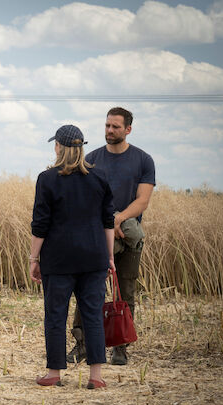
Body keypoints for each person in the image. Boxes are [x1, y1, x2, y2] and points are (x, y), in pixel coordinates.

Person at [67, 107, 156, 366]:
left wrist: (117, 219)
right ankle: (82, 344)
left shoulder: (143, 160)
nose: (109, 130)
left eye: (115, 127)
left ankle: (120, 347)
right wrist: (106, 224)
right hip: (97, 234)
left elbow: (142, 201)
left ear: (128, 129)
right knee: (88, 287)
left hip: (128, 235)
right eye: (107, 125)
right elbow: (85, 199)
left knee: (125, 289)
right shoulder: (92, 159)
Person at [30, 124, 115, 388]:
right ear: (81, 148)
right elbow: (108, 221)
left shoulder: (48, 179)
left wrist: (34, 259)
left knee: (55, 315)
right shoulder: (99, 177)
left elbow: (40, 224)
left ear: (58, 147)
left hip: (59, 259)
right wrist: (109, 257)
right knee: (92, 314)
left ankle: (54, 374)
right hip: (94, 257)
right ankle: (96, 377)